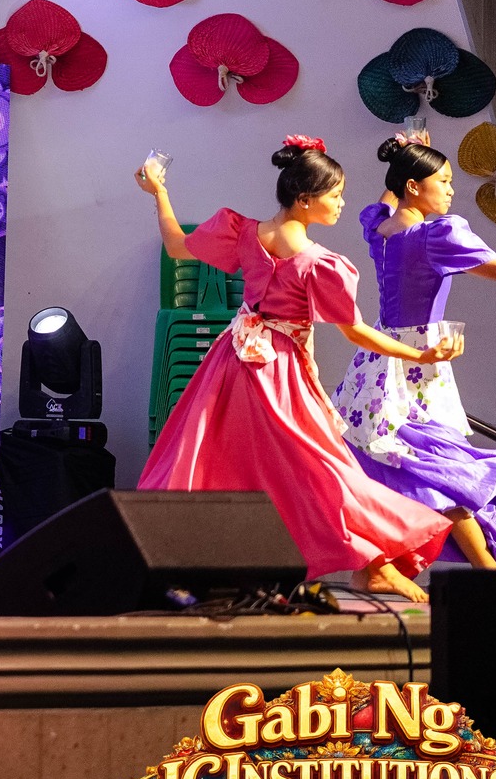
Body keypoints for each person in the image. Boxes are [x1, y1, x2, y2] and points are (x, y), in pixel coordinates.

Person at [136, 136, 456, 603]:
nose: (342, 203)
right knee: (323, 467)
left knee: (212, 463)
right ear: (305, 199)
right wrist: (420, 356)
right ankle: (374, 564)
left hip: (230, 368)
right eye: (336, 194)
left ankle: (186, 564)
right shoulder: (319, 264)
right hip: (277, 375)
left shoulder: (243, 233)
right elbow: (356, 332)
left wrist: (160, 192)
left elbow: (177, 246)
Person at [330, 133, 496, 567]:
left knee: (391, 462)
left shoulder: (380, 228)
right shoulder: (433, 235)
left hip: (377, 359)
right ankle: (484, 571)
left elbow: (389, 197)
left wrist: (406, 155)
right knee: (440, 466)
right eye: (444, 181)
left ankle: (385, 567)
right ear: (414, 186)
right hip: (418, 362)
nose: (452, 190)